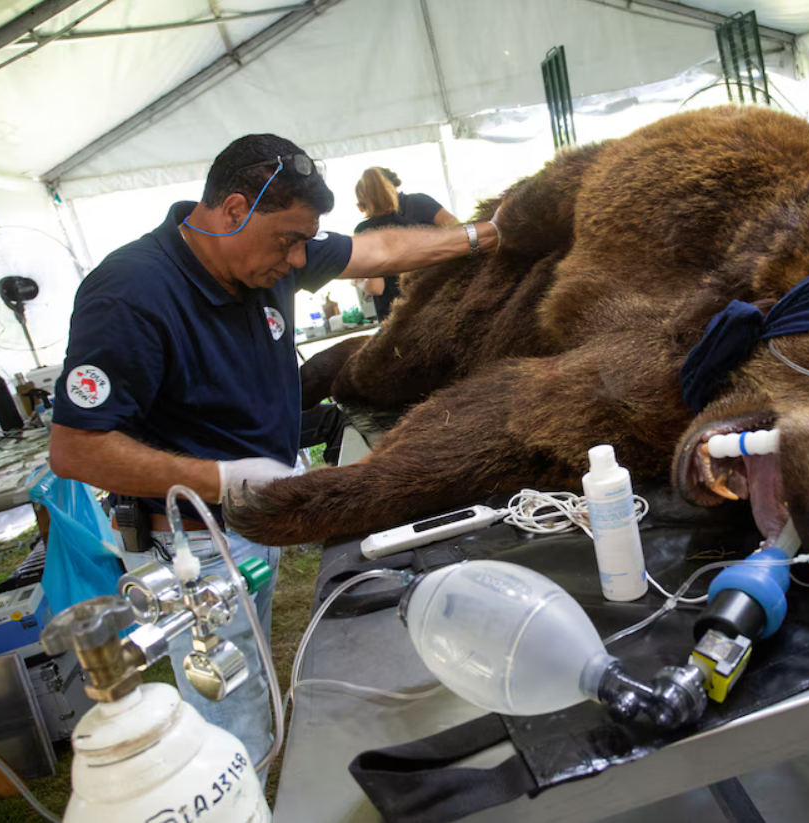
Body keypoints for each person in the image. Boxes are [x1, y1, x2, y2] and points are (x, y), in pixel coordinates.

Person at [48, 134, 499, 768]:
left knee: (255, 662)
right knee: (225, 710)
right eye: (288, 240)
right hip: (200, 547)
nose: (297, 261)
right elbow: (74, 449)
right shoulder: (129, 294)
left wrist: (485, 236)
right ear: (234, 210)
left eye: (305, 244)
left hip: (260, 512)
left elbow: (384, 246)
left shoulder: (267, 253)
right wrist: (225, 479)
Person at [353, 167, 459, 321]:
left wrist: (357, 280)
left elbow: (375, 287)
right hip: (442, 302)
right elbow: (461, 235)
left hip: (400, 320)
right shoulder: (421, 202)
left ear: (361, 206)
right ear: (394, 185)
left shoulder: (365, 231)